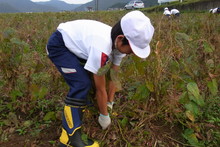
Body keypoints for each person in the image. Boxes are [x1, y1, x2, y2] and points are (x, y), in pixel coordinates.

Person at [46, 10, 154, 147]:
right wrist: (104, 116)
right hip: (59, 46)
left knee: (90, 82)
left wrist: (110, 102)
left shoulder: (117, 44)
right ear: (121, 39)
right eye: (132, 50)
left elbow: (114, 77)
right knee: (81, 84)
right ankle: (70, 138)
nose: (132, 54)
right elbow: (100, 89)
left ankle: (81, 118)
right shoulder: (101, 48)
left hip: (78, 47)